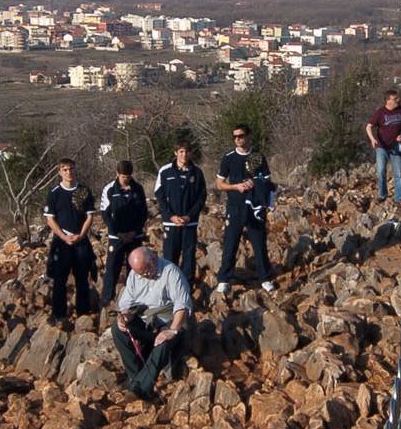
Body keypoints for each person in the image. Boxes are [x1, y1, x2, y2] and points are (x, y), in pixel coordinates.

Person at [110, 245, 192, 398]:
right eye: (140, 273)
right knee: (117, 329)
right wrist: (124, 317)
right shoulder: (135, 275)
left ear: (153, 259)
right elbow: (126, 303)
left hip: (171, 320)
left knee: (162, 343)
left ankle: (140, 388)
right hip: (147, 320)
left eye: (146, 271)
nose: (144, 275)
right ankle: (136, 378)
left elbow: (182, 306)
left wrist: (171, 331)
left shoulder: (171, 272)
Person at [216, 124, 277, 292]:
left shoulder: (258, 156)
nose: (238, 139)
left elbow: (267, 180)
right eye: (235, 136)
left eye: (241, 136)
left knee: (259, 243)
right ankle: (224, 278)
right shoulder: (228, 158)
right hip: (235, 206)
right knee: (230, 243)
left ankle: (264, 277)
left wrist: (255, 183)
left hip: (255, 207)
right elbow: (219, 184)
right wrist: (236, 187)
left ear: (248, 136)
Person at [43, 159, 97, 324]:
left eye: (71, 169)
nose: (68, 172)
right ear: (60, 172)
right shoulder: (54, 193)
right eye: (65, 170)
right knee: (60, 279)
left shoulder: (84, 191)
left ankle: (83, 312)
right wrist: (64, 237)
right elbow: (50, 220)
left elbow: (90, 216)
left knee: (82, 277)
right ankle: (59, 314)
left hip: (80, 240)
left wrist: (81, 235)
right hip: (62, 242)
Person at [97, 159, 150, 305]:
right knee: (112, 268)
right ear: (117, 174)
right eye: (123, 177)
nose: (126, 179)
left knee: (135, 268)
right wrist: (117, 232)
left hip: (135, 235)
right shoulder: (109, 189)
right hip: (117, 236)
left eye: (128, 177)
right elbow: (105, 214)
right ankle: (107, 300)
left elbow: (143, 212)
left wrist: (135, 231)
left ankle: (133, 299)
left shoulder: (138, 188)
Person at [154, 141, 207, 286]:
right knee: (170, 256)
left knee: (189, 256)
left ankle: (186, 288)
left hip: (189, 222)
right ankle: (169, 288)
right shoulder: (165, 171)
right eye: (181, 152)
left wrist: (189, 216)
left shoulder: (197, 172)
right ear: (176, 153)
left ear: (190, 153)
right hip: (171, 222)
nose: (184, 155)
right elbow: (159, 196)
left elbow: (201, 197)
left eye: (187, 152)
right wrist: (170, 215)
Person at [365, 90, 401, 205]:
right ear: (388, 100)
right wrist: (372, 139)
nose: (398, 100)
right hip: (382, 147)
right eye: (395, 99)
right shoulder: (380, 112)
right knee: (381, 171)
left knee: (398, 173)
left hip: (396, 147)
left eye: (398, 98)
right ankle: (382, 195)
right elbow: (369, 126)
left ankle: (399, 198)